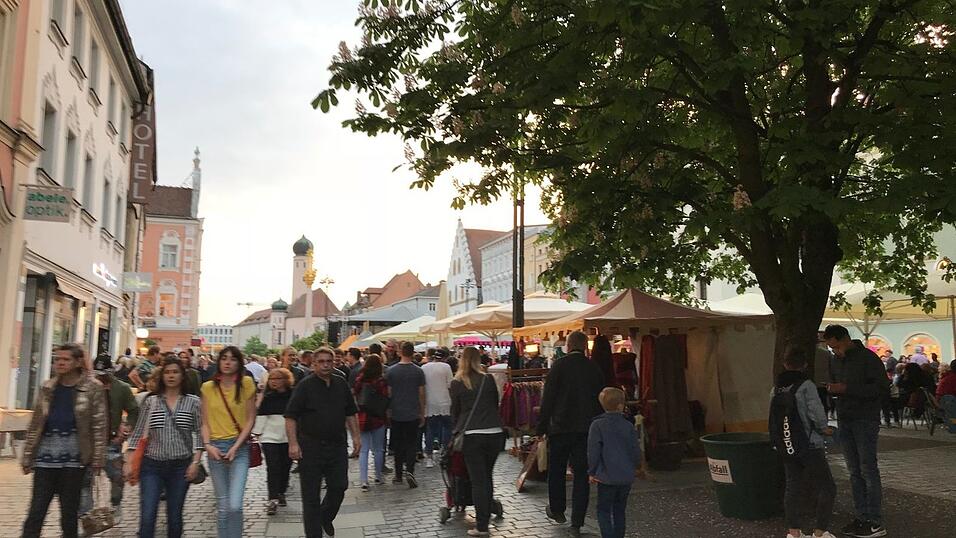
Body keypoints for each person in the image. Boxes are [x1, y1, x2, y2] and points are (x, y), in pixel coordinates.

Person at [21, 344, 106, 538]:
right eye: (57, 359)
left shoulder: (92, 388)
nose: (59, 362)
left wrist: (98, 458)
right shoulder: (48, 387)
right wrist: (28, 455)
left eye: (65, 359)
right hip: (45, 458)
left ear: (77, 362)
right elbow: (35, 424)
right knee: (36, 512)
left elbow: (99, 425)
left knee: (68, 515)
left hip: (74, 460)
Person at [285, 346, 361, 538]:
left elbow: (350, 412)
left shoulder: (341, 383)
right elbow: (291, 416)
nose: (326, 365)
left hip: (337, 445)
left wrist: (356, 437)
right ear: (313, 364)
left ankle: (325, 516)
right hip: (311, 447)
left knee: (339, 486)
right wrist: (293, 444)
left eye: (329, 361)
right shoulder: (305, 385)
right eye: (321, 361)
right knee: (310, 496)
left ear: (334, 362)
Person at [125, 356, 203, 538]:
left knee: (174, 516)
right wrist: (128, 460)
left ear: (182, 376)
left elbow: (200, 434)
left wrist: (196, 462)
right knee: (148, 515)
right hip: (152, 465)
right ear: (162, 376)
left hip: (180, 466)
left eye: (175, 372)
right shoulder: (151, 401)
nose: (171, 376)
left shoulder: (193, 402)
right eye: (167, 372)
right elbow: (138, 433)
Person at [823, 324, 889, 538]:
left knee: (867, 468)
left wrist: (847, 389)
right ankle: (861, 516)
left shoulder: (868, 359)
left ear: (845, 340)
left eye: (836, 347)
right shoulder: (836, 360)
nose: (835, 351)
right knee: (854, 470)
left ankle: (874, 520)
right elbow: (837, 382)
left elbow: (880, 389)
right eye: (831, 348)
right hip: (845, 417)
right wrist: (833, 390)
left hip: (865, 418)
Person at [536, 331, 605, 535]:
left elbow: (548, 399)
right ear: (585, 347)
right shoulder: (594, 368)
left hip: (560, 427)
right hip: (586, 429)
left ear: (568, 345)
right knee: (581, 475)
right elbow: (600, 399)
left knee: (556, 469)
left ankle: (557, 509)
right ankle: (577, 521)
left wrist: (541, 427)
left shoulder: (559, 366)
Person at [776, 351, 837, 538]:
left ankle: (794, 532)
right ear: (804, 365)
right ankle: (820, 532)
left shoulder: (777, 388)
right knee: (827, 486)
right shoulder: (806, 386)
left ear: (785, 364)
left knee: (792, 485)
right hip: (809, 443)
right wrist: (824, 428)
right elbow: (816, 412)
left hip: (787, 444)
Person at [201, 346, 258, 538]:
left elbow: (250, 419)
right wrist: (208, 445)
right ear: (218, 362)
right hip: (215, 448)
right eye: (224, 358)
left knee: (234, 505)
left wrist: (236, 446)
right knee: (223, 506)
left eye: (232, 359)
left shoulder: (246, 384)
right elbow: (205, 422)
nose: (227, 362)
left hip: (239, 447)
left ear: (239, 363)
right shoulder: (208, 388)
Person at [450, 347, 505, 537]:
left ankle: (482, 526)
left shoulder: (457, 383)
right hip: (494, 433)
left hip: (472, 435)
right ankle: (485, 515)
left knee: (478, 481)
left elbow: (455, 412)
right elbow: (495, 403)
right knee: (486, 477)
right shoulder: (488, 379)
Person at [80, 363, 140, 520]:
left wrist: (127, 426)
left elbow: (134, 410)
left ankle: (116, 503)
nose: (102, 378)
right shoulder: (86, 387)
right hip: (88, 442)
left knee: (117, 476)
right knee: (84, 480)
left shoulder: (121, 388)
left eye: (105, 374)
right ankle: (85, 515)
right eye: (99, 374)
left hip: (112, 441)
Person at [587, 387, 640, 538]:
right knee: (619, 510)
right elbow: (635, 450)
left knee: (603, 510)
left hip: (606, 477)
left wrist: (591, 471)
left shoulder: (597, 425)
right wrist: (637, 466)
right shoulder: (628, 425)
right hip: (625, 476)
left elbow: (593, 451)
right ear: (621, 405)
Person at [255, 367, 295, 515]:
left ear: (285, 380)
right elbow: (261, 415)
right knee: (272, 467)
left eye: (277, 379)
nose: (274, 382)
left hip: (288, 437)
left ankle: (281, 492)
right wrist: (257, 433)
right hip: (269, 437)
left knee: (285, 466)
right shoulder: (267, 397)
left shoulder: (293, 396)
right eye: (271, 379)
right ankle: (272, 499)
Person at [385, 341, 426, 488]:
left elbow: (388, 393)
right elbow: (422, 393)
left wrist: (388, 411)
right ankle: (410, 470)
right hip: (413, 412)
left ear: (400, 352)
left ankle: (398, 474)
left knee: (398, 445)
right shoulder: (418, 371)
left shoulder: (391, 371)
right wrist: (422, 411)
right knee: (411, 444)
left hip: (396, 412)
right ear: (413, 352)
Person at [352, 353, 388, 490]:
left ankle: (364, 480)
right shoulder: (381, 380)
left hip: (362, 417)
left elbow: (354, 393)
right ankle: (378, 476)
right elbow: (385, 396)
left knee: (363, 450)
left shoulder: (360, 379)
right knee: (378, 449)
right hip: (378, 417)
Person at [422, 347, 454, 468]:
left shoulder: (424, 367)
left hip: (430, 402)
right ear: (445, 358)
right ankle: (444, 453)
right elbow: (450, 385)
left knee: (430, 429)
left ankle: (429, 456)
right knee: (447, 428)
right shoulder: (446, 367)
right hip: (445, 401)